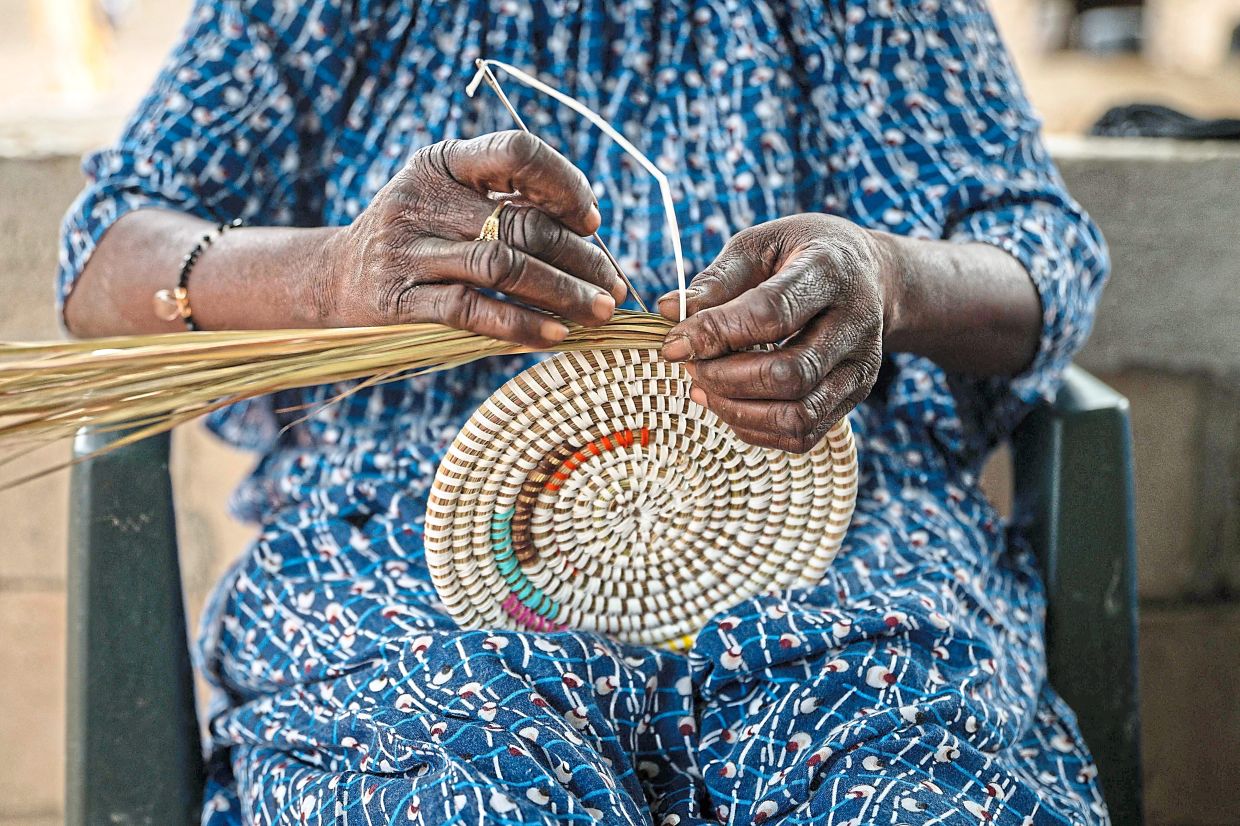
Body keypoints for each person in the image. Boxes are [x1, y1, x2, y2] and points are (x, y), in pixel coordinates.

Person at [58, 0, 1110, 823]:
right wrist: (328, 271)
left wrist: (890, 279)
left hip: (847, 545)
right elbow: (105, 256)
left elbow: (1042, 253)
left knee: (906, 768)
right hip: (400, 560)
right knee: (446, 772)